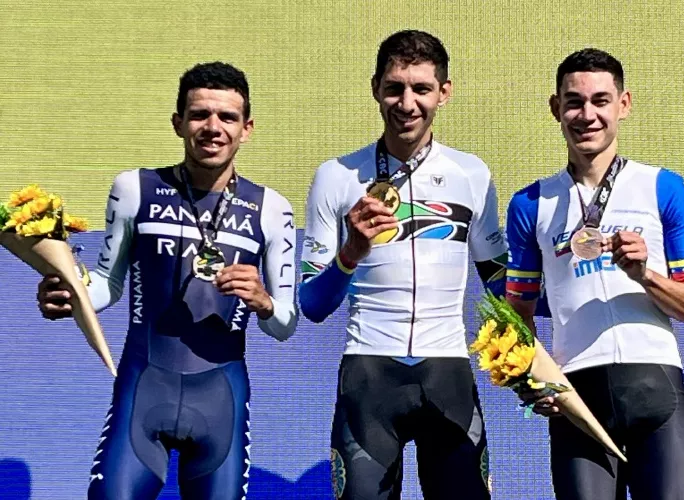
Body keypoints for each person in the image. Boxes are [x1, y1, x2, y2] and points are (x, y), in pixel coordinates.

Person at [36, 62, 297, 499]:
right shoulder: (134, 188)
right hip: (144, 386)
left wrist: (263, 301)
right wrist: (69, 291)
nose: (213, 128)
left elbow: (285, 325)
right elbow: (106, 284)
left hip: (221, 397)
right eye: (199, 115)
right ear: (178, 123)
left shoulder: (272, 208)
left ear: (247, 128)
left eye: (227, 117)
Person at [299, 29, 509, 500]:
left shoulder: (471, 174)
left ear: (444, 93)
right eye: (395, 87)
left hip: (448, 371)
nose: (407, 102)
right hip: (369, 376)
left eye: (421, 88)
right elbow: (312, 303)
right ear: (375, 88)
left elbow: (499, 284)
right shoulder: (336, 176)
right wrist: (351, 251)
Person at [505, 48, 684, 500]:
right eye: (574, 101)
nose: (587, 115)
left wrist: (646, 276)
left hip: (656, 394)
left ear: (624, 104)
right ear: (556, 108)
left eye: (601, 100)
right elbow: (515, 314)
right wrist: (530, 382)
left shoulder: (663, 186)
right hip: (578, 404)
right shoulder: (530, 204)